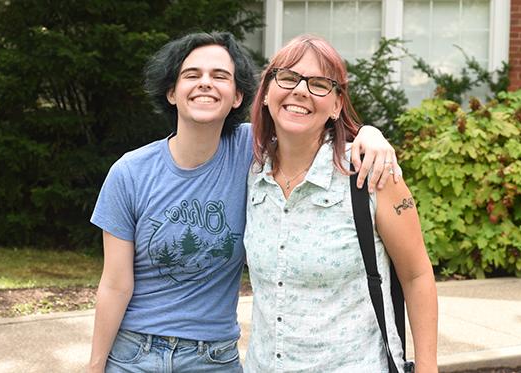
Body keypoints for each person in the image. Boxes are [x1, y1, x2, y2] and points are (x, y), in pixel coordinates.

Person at [88, 31, 400, 373]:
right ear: (171, 92)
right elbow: (116, 284)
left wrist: (370, 133)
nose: (205, 83)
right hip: (134, 353)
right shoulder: (130, 173)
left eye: (220, 76)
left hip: (214, 359)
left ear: (238, 96)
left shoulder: (252, 151)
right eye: (192, 75)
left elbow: (311, 126)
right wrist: (95, 365)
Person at [244, 34, 438, 373]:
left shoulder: (371, 174)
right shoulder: (250, 171)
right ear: (265, 93)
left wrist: (427, 368)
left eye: (319, 84)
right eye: (288, 77)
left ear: (336, 105)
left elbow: (417, 274)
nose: (301, 90)